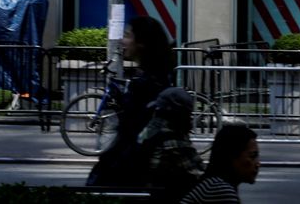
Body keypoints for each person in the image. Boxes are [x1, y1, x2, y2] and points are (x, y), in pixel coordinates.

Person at [87, 15, 175, 187]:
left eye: (128, 35)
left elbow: (135, 132)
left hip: (132, 167)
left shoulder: (147, 84)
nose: (122, 40)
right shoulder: (155, 78)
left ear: (141, 42)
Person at [138, 87, 205, 203]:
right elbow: (197, 173)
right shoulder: (171, 138)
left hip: (150, 189)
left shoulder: (150, 129)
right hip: (161, 193)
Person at [180, 125, 259, 204]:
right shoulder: (220, 190)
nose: (258, 164)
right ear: (232, 156)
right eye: (252, 156)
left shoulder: (213, 184)